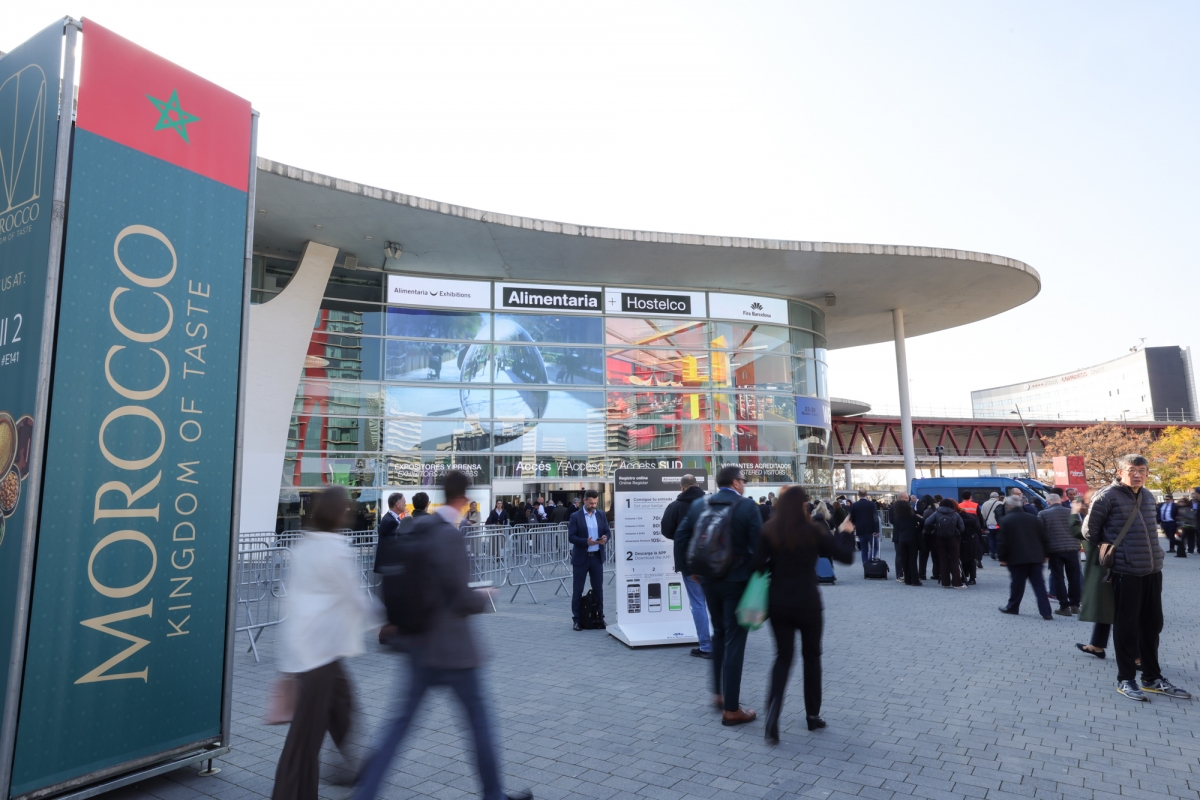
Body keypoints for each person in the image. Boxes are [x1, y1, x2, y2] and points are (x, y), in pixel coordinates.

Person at [354, 472, 533, 800]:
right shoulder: (449, 536)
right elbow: (459, 597)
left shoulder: (418, 527)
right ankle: (493, 794)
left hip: (417, 643)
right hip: (452, 650)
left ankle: (364, 794)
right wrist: (485, 596)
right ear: (463, 499)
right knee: (478, 722)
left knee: (399, 725)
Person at [273, 487, 374, 800]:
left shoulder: (304, 545)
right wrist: (387, 623)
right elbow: (355, 596)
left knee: (342, 708)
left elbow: (292, 599)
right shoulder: (335, 549)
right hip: (319, 653)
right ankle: (293, 792)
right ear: (340, 514)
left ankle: (356, 769)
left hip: (310, 647)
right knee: (305, 738)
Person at [752, 486, 855, 742]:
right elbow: (845, 558)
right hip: (808, 603)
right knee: (812, 657)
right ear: (802, 505)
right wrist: (845, 533)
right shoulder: (814, 530)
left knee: (782, 658)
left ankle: (773, 711)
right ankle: (812, 715)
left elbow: (756, 567)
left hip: (778, 603)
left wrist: (774, 564)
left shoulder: (769, 531)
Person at [1085, 455, 1191, 701]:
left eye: (1142, 470)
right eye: (1132, 470)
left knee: (1152, 625)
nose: (1137, 475)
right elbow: (1089, 531)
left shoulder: (1148, 496)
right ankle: (1126, 679)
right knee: (1126, 627)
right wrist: (1118, 550)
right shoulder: (1106, 496)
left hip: (1152, 570)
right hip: (1125, 571)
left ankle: (1152, 678)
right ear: (1120, 472)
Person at [673, 465, 762, 726]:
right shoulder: (747, 507)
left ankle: (719, 695)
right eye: (743, 480)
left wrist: (691, 570)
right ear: (735, 483)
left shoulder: (700, 505)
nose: (744, 484)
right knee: (735, 638)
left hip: (708, 579)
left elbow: (681, 537)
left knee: (719, 633)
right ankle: (732, 710)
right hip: (737, 582)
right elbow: (759, 548)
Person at [660, 474, 711, 659]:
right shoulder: (711, 502)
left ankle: (706, 646)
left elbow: (666, 530)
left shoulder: (676, 506)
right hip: (714, 560)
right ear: (697, 485)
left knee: (698, 603)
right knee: (717, 602)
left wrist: (681, 536)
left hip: (690, 562)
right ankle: (724, 642)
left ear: (682, 488)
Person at [997, 495, 1053, 619]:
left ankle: (1013, 607)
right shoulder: (1033, 518)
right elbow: (1044, 537)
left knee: (1017, 584)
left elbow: (1002, 541)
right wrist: (1046, 554)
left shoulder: (1006, 520)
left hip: (1016, 558)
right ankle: (1046, 612)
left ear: (1008, 506)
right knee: (1039, 585)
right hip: (1035, 557)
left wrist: (1003, 558)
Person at [1073, 494, 1116, 659]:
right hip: (1111, 571)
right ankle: (1097, 645)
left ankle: (1137, 657)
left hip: (1109, 572)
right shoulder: (1110, 517)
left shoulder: (1101, 522)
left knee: (1118, 613)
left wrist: (1074, 514)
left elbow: (1079, 533)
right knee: (1105, 610)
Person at [568, 489, 610, 631]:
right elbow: (571, 537)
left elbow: (607, 531)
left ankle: (599, 617)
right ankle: (577, 620)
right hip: (582, 558)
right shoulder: (575, 516)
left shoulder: (601, 514)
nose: (593, 505)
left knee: (598, 590)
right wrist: (586, 542)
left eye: (595, 503)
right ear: (584, 501)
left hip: (597, 558)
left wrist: (605, 538)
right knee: (578, 590)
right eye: (591, 503)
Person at [1040, 492, 1082, 615]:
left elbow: (1040, 533)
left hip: (1054, 550)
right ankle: (1075, 605)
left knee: (1058, 578)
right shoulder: (1071, 512)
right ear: (1060, 501)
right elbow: (1079, 528)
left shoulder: (1043, 514)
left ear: (1048, 502)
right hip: (1072, 549)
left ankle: (1064, 606)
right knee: (1074, 578)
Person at [924, 499, 965, 588]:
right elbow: (962, 527)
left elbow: (927, 522)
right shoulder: (955, 514)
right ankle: (957, 583)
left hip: (940, 538)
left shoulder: (936, 513)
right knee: (954, 560)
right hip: (953, 539)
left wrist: (934, 530)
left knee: (943, 560)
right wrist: (956, 531)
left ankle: (945, 582)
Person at [891, 498, 922, 586]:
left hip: (902, 540)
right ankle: (915, 580)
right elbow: (923, 522)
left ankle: (907, 579)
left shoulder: (897, 518)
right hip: (912, 539)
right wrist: (918, 528)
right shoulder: (912, 517)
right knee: (912, 560)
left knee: (905, 560)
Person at [373, 492, 406, 572]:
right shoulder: (390, 521)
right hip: (390, 565)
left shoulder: (392, 518)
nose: (405, 504)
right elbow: (396, 542)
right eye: (404, 502)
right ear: (397, 504)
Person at [848, 489, 879, 564]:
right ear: (867, 494)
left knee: (864, 549)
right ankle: (869, 561)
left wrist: (854, 524)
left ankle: (865, 564)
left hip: (860, 529)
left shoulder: (854, 505)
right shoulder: (871, 504)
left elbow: (852, 518)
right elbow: (875, 517)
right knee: (875, 547)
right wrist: (877, 529)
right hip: (871, 529)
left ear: (858, 495)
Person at [959, 502, 983, 586]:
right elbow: (979, 526)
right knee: (969, 559)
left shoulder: (960, 516)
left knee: (966, 559)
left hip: (967, 539)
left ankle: (967, 577)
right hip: (972, 539)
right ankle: (969, 577)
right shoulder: (972, 516)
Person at [980, 491, 1003, 559]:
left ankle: (992, 552)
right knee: (999, 539)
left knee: (992, 538)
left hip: (990, 524)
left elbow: (983, 515)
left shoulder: (985, 503)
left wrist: (987, 520)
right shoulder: (1000, 503)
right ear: (997, 497)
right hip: (999, 524)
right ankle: (999, 553)